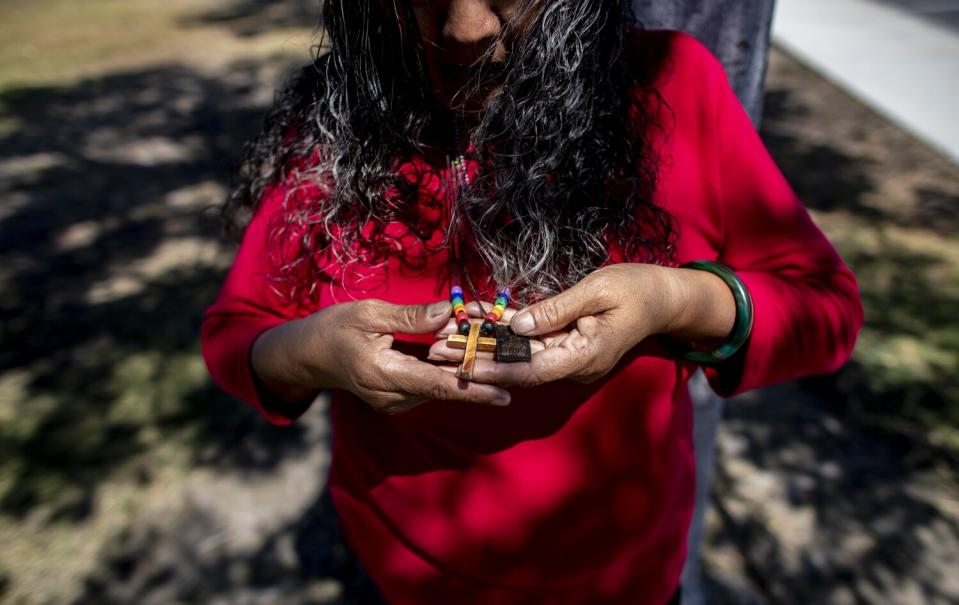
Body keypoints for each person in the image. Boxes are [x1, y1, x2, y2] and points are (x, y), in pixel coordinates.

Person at [201, 1, 863, 603]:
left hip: (627, 580)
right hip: (406, 575)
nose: (465, 27)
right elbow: (238, 333)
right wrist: (310, 354)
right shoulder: (338, 117)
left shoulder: (669, 83)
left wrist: (675, 299)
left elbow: (825, 309)